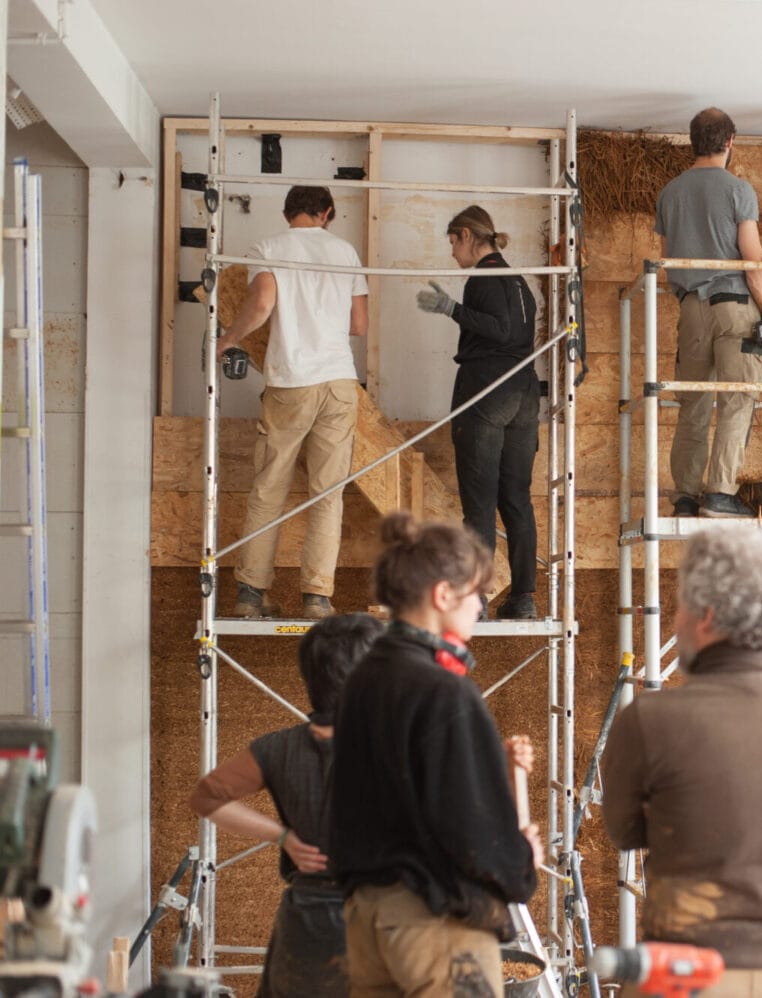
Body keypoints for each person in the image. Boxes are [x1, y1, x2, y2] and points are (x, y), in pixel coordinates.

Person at [602, 527, 762, 996]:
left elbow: (625, 833)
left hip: (686, 977)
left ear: (707, 616)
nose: (674, 622)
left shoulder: (649, 719)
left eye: (680, 607)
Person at [332, 512, 542, 997]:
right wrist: (520, 861)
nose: (481, 606)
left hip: (369, 919)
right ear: (443, 595)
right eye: (476, 593)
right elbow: (468, 826)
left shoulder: (364, 678)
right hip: (436, 921)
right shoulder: (445, 691)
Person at [191, 612, 383, 997]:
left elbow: (206, 797)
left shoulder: (277, 748)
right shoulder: (400, 746)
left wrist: (283, 837)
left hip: (307, 927)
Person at [218, 185, 369, 621]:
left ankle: (251, 594)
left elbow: (263, 303)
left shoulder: (268, 248)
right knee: (328, 494)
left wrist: (228, 339)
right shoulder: (346, 252)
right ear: (327, 213)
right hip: (338, 381)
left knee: (269, 488)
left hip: (291, 381)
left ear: (288, 214)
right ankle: (317, 598)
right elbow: (358, 324)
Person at [415, 205, 540, 621]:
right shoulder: (520, 282)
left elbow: (500, 332)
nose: (453, 252)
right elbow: (515, 334)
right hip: (524, 395)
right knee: (517, 499)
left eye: (454, 241)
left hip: (486, 390)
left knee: (480, 501)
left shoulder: (483, 278)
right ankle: (523, 597)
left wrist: (451, 308)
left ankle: (477, 597)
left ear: (468, 235)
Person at [656, 107, 762, 519]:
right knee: (736, 400)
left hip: (691, 309)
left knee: (693, 404)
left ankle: (685, 497)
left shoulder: (670, 193)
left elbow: (667, 260)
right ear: (730, 141)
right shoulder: (738, 190)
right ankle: (720, 494)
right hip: (734, 307)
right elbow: (753, 261)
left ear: (693, 141)